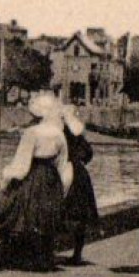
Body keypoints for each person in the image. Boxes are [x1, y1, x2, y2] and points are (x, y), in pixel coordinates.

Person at [0, 91, 72, 272]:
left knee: (27, 215)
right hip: (51, 177)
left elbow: (22, 164)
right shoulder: (59, 134)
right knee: (45, 218)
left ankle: (27, 258)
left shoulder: (32, 132)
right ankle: (46, 258)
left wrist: (5, 180)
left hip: (34, 175)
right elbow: (62, 163)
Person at [61, 105, 99, 266]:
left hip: (64, 170)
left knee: (62, 208)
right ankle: (77, 253)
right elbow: (89, 154)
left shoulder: (61, 132)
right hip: (80, 175)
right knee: (81, 213)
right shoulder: (79, 134)